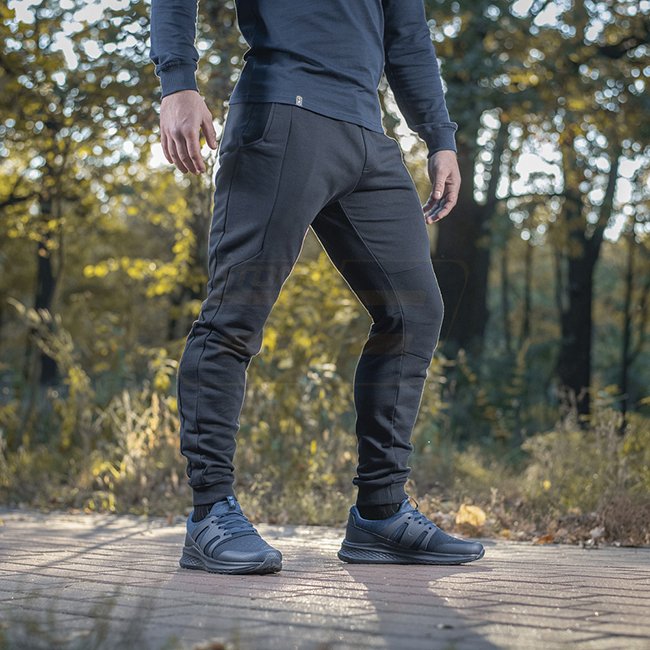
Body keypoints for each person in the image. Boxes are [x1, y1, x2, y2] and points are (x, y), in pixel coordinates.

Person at [150, 0, 485, 575]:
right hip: (281, 111)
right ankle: (210, 513)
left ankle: (381, 514)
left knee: (415, 313)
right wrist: (177, 83)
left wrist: (440, 137)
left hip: (367, 135)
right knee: (235, 314)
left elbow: (408, 37)